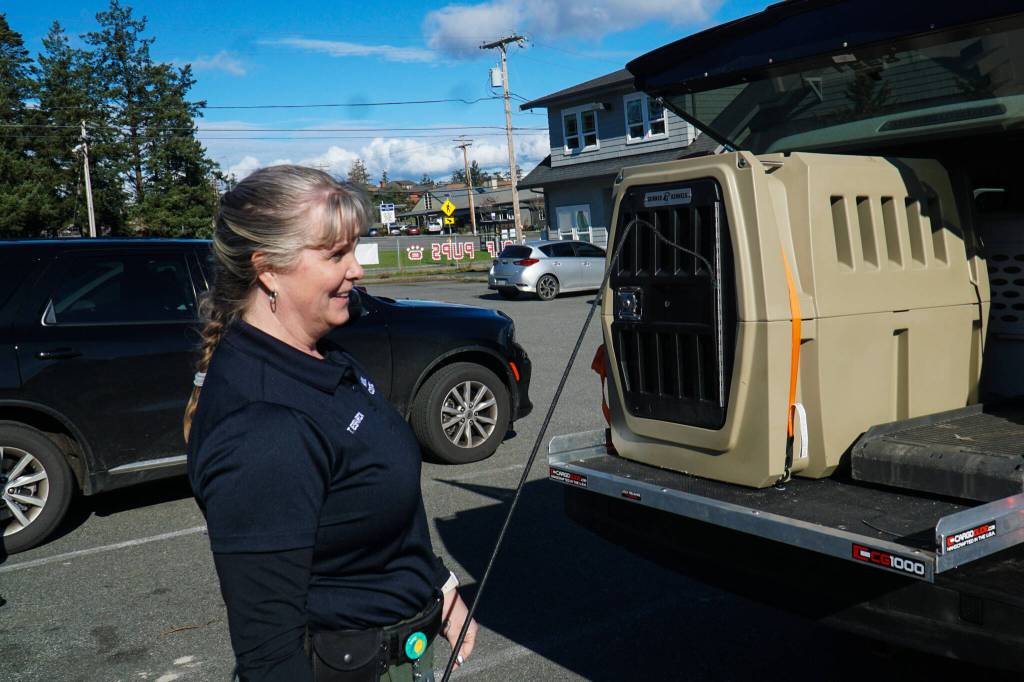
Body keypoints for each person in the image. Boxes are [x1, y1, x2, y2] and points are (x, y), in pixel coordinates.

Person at [183, 165, 477, 681]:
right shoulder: (264, 425)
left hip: (403, 646)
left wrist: (439, 583)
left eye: (354, 249)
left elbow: (375, 500)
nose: (357, 269)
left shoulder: (322, 357)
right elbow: (269, 652)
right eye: (336, 254)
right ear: (269, 269)